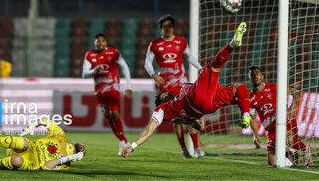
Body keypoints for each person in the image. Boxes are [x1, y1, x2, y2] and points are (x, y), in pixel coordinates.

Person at [122, 22, 251, 157]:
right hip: (196, 97)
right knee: (213, 66)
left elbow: (201, 127)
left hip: (208, 105)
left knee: (239, 88)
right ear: (161, 102)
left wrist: (196, 121)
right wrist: (133, 145)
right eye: (162, 96)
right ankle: (232, 44)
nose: (164, 93)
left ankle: (246, 113)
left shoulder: (182, 115)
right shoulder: (162, 110)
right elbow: (149, 129)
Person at [144, 14, 205, 159]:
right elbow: (147, 62)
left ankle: (196, 148)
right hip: (165, 87)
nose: (168, 29)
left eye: (170, 26)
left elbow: (189, 57)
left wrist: (200, 68)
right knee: (175, 118)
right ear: (161, 28)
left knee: (189, 114)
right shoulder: (155, 44)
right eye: (165, 27)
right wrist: (153, 74)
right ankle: (184, 149)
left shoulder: (181, 42)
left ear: (173, 27)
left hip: (182, 84)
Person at [248, 66, 312, 166]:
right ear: (249, 78)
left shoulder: (274, 87)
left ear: (262, 77)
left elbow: (296, 93)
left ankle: (305, 149)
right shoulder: (250, 98)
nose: (255, 76)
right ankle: (291, 154)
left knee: (289, 138)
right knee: (272, 163)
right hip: (272, 130)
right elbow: (252, 118)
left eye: (257, 73)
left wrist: (293, 108)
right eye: (252, 74)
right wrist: (255, 135)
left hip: (285, 120)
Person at [0, 118, 86, 170]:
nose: (83, 148)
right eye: (82, 146)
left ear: (79, 156)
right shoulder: (61, 137)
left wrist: (68, 158)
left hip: (28, 162)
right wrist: (35, 124)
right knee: (24, 142)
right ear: (74, 142)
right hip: (21, 147)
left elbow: (46, 166)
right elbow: (46, 122)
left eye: (84, 151)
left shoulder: (66, 164)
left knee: (16, 161)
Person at [82, 33, 133, 155]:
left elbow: (125, 67)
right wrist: (94, 70)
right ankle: (123, 141)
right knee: (109, 119)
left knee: (114, 113)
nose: (100, 43)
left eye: (102, 41)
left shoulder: (113, 53)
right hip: (100, 92)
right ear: (94, 43)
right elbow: (84, 74)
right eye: (97, 41)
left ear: (106, 42)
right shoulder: (89, 55)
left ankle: (122, 143)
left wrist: (128, 85)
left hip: (113, 88)